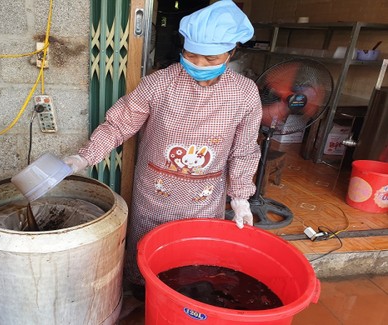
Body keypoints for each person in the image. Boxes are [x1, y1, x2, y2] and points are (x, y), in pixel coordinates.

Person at [63, 0, 262, 300]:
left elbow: (245, 150)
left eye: (211, 59)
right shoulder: (158, 84)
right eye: (191, 55)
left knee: (191, 262)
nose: (199, 65)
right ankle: (145, 301)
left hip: (204, 200)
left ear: (231, 52)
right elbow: (119, 125)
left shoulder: (245, 94)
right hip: (154, 194)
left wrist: (241, 198)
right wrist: (84, 156)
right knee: (145, 258)